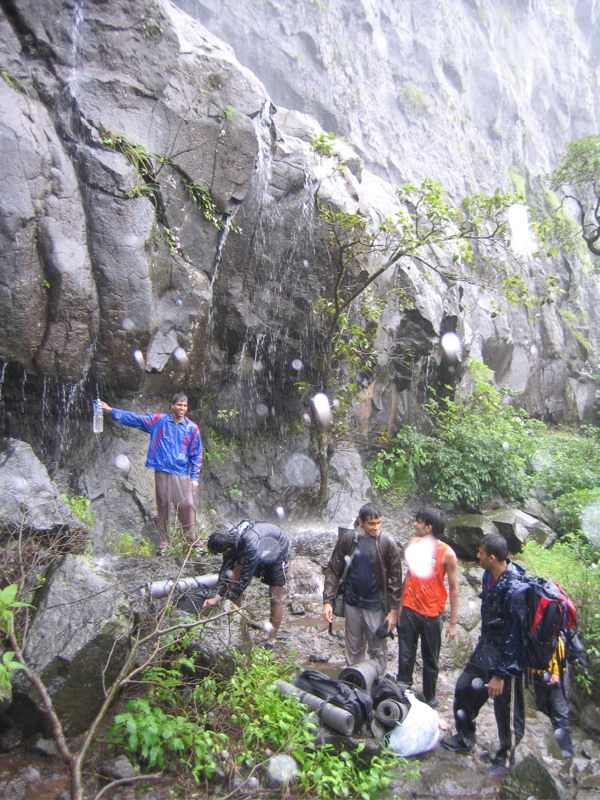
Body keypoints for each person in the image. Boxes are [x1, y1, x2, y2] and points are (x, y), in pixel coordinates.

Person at [441, 533, 526, 768]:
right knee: (464, 687)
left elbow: (515, 636)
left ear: (492, 557)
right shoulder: (489, 575)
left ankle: (506, 758)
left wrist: (500, 675)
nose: (476, 555)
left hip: (508, 657)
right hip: (487, 645)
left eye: (479, 552)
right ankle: (466, 737)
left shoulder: (515, 589)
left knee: (504, 708)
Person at [99, 393, 202, 554]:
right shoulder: (159, 421)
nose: (182, 408)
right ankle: (164, 543)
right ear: (172, 406)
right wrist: (111, 411)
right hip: (162, 471)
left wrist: (194, 477)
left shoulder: (192, 428)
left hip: (181, 472)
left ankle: (193, 543)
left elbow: (196, 454)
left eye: (184, 406)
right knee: (163, 506)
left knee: (187, 506)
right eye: (179, 405)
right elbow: (135, 419)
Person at [322, 503, 402, 676]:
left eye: (379, 523)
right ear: (361, 522)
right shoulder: (349, 539)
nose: (376, 527)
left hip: (376, 605)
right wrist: (328, 601)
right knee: (353, 647)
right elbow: (333, 569)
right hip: (352, 603)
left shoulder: (387, 542)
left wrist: (394, 611)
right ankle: (354, 682)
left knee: (378, 648)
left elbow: (395, 579)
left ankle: (377, 681)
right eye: (372, 524)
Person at [396, 507, 459, 707]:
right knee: (405, 652)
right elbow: (408, 575)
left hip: (432, 614)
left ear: (429, 527)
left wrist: (453, 622)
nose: (415, 524)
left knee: (430, 658)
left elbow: (454, 588)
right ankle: (403, 689)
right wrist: (399, 607)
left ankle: (429, 697)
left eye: (419, 522)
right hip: (409, 609)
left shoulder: (447, 553)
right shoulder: (414, 545)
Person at [202, 520, 289, 643]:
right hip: (255, 546)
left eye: (222, 552)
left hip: (277, 547)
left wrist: (226, 597)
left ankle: (272, 639)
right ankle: (238, 622)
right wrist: (217, 595)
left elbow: (245, 578)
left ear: (228, 548)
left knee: (275, 597)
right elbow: (225, 570)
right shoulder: (227, 541)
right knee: (232, 578)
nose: (222, 554)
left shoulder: (249, 544)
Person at [532, 636, 574, 759]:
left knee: (559, 711)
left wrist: (556, 672)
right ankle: (549, 749)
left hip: (556, 670)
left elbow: (557, 640)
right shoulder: (530, 619)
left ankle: (566, 753)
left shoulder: (549, 617)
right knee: (542, 708)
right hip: (540, 671)